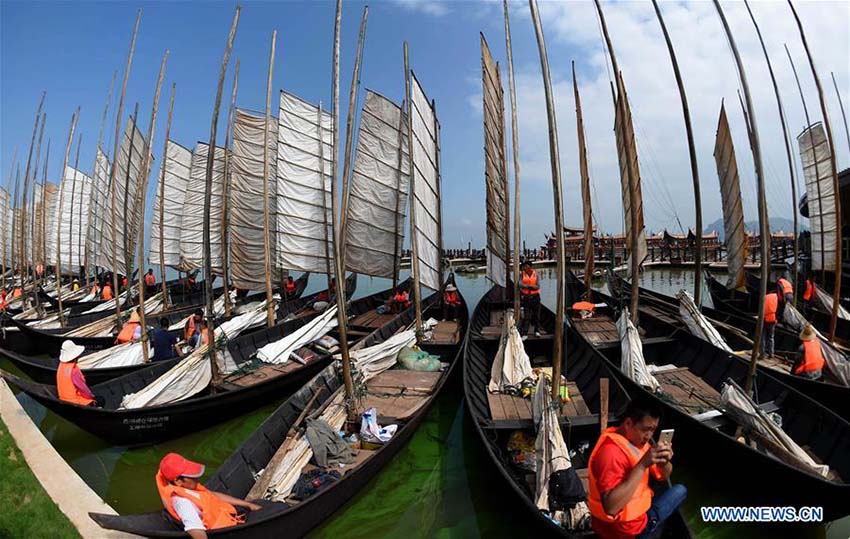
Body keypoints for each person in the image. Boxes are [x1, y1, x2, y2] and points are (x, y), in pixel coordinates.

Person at [588, 396, 685, 539]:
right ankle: (653, 530)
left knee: (668, 489)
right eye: (646, 429)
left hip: (625, 520)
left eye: (653, 430)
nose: (649, 436)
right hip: (626, 530)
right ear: (628, 423)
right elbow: (611, 508)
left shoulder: (636, 441)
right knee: (680, 491)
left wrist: (664, 462)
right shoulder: (610, 454)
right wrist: (642, 465)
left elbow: (663, 476)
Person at [156, 452, 262, 538]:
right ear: (178, 481)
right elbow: (196, 531)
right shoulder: (183, 503)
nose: (196, 478)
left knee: (262, 505)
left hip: (231, 518)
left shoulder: (188, 487)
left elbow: (213, 496)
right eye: (190, 475)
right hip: (228, 531)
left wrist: (248, 504)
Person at [56, 340, 104, 407]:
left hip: (62, 398)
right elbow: (83, 388)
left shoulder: (61, 365)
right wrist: (92, 396)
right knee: (101, 400)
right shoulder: (74, 370)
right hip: (73, 402)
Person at [519, 261, 542, 337]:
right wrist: (530, 286)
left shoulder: (536, 274)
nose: (524, 268)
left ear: (530, 267)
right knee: (527, 316)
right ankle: (525, 333)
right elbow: (520, 284)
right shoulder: (522, 274)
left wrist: (527, 286)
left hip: (535, 297)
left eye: (526, 266)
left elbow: (538, 286)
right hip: (526, 297)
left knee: (537, 315)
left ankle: (537, 331)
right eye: (524, 267)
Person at [762, 288, 779, 359]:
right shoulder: (776, 298)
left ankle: (762, 353)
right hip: (772, 319)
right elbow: (778, 309)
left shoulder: (765, 297)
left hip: (764, 319)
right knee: (771, 337)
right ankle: (771, 353)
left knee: (763, 337)